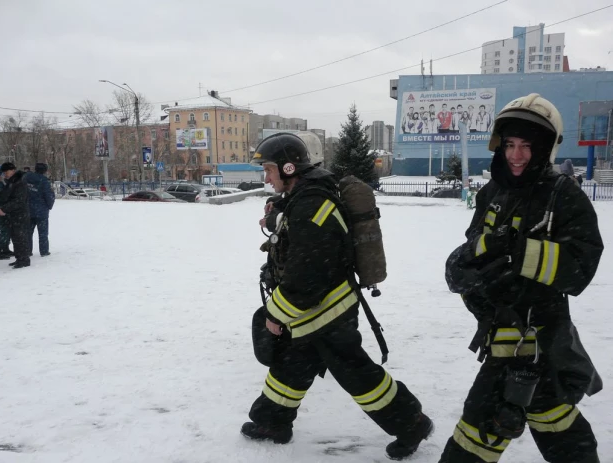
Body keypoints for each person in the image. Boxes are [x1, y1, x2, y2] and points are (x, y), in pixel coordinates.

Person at [241, 133, 433, 461]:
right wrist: (277, 212)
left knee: (356, 374)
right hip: (318, 309)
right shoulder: (305, 196)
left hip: (329, 311)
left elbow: (307, 275)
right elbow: (298, 226)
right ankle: (273, 422)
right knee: (292, 364)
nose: (266, 177)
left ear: (289, 168)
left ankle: (411, 422)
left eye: (270, 169)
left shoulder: (313, 204)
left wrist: (276, 315)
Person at [439, 94, 604, 463]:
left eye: (527, 146)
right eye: (511, 144)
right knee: (556, 422)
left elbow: (580, 269)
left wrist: (519, 255)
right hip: (500, 334)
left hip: (540, 337)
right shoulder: (491, 194)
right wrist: (475, 268)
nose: (516, 155)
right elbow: (473, 256)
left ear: (545, 148)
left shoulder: (565, 197)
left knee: (476, 437)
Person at [0, 162, 31, 268]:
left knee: (20, 237)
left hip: (20, 214)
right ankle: (19, 258)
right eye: (3, 172)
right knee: (15, 237)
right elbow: (7, 196)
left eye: (6, 172)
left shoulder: (19, 182)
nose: (5, 174)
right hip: (14, 214)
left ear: (12, 170)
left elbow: (18, 200)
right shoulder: (11, 181)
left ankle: (24, 259)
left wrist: (4, 209)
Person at [24, 162, 55, 257]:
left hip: (28, 209)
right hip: (41, 211)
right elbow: (48, 196)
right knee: (43, 233)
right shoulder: (44, 181)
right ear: (44, 171)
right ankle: (44, 251)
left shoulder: (26, 178)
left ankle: (27, 250)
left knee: (28, 232)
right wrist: (49, 205)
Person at [0, 168, 13, 260]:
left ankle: (5, 248)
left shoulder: (0, 183)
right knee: (5, 230)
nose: (0, 177)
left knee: (8, 229)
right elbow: (0, 198)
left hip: (4, 209)